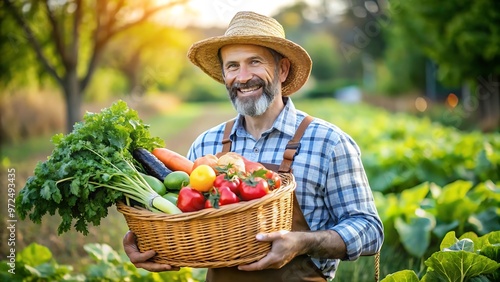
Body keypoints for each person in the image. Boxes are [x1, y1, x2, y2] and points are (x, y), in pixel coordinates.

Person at [123, 11, 383, 281]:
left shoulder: (328, 142)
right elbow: (187, 224)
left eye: (254, 62)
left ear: (282, 70)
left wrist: (302, 243)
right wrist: (146, 243)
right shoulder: (207, 144)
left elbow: (370, 231)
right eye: (232, 66)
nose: (243, 77)